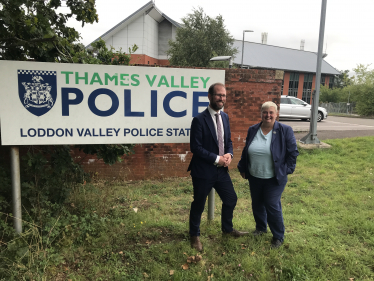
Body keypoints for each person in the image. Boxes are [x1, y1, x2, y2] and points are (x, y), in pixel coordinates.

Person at [187, 82, 249, 252]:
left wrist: (229, 155)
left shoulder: (225, 117)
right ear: (210, 96)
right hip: (203, 170)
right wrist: (217, 159)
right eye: (218, 95)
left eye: (224, 95)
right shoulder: (199, 120)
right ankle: (194, 234)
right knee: (199, 203)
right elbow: (196, 148)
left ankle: (227, 230)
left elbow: (228, 141)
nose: (221, 98)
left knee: (231, 199)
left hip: (221, 171)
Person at [237, 101, 299, 249]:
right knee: (257, 203)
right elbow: (247, 150)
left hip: (274, 177)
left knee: (272, 204)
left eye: (271, 112)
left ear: (276, 114)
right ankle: (260, 228)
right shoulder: (253, 129)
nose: (268, 115)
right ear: (261, 113)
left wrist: (286, 170)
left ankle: (278, 236)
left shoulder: (285, 130)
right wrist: (242, 167)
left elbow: (293, 153)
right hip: (255, 175)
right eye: (265, 112)